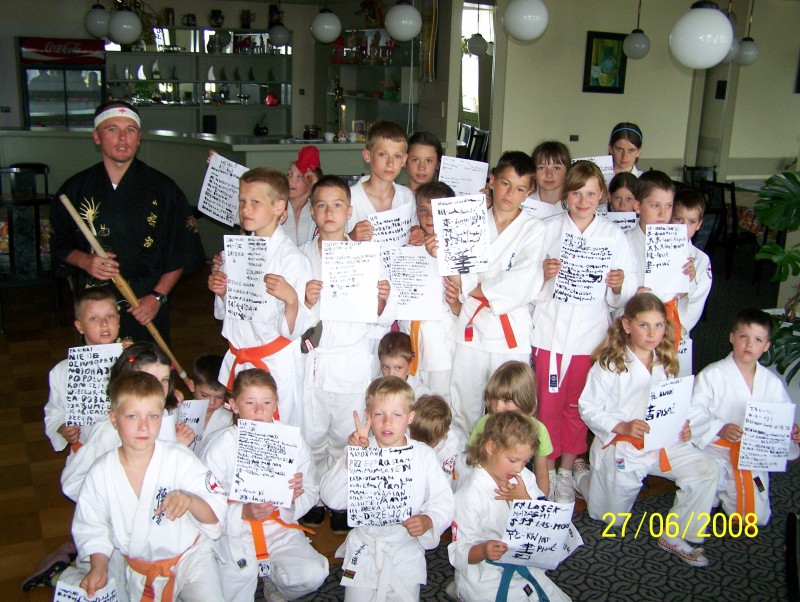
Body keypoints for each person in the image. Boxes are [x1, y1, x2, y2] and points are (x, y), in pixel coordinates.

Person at [578, 293, 719, 567]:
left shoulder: (666, 360)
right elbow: (588, 407)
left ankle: (675, 534)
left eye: (658, 325)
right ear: (627, 325)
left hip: (663, 441)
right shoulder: (610, 363)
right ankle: (583, 476)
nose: (652, 334)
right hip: (623, 445)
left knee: (706, 469)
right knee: (610, 518)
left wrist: (684, 426)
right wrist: (621, 425)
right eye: (643, 325)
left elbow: (676, 404)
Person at [50, 100, 204, 343]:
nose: (123, 138)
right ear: (97, 136)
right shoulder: (75, 190)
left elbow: (182, 249)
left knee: (148, 364)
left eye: (130, 130)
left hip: (145, 301)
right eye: (112, 129)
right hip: (96, 303)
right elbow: (58, 242)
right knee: (103, 365)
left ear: (139, 137)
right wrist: (86, 261)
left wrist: (158, 297)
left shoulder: (164, 189)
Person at [72, 371, 227, 600]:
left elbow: (215, 512)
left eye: (153, 416)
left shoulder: (179, 458)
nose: (143, 427)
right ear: (114, 418)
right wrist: (98, 566)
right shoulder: (101, 472)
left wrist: (190, 500)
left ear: (162, 416)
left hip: (192, 560)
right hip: (141, 571)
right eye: (132, 417)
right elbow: (92, 524)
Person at [532, 161, 635, 503]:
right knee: (547, 408)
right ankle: (545, 471)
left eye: (591, 194)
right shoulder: (548, 229)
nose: (583, 200)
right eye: (576, 193)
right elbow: (527, 283)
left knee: (577, 408)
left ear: (602, 195)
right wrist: (543, 275)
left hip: (588, 339)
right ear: (566, 194)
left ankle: (566, 471)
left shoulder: (613, 236)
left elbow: (626, 291)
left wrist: (619, 285)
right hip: (550, 334)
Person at [299, 175, 395, 532]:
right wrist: (305, 299)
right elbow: (290, 315)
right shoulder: (300, 256)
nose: (329, 212)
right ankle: (314, 496)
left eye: (337, 205)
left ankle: (341, 498)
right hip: (313, 359)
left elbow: (380, 317)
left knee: (346, 434)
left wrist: (382, 299)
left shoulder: (368, 257)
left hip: (352, 360)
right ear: (312, 211)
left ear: (349, 211)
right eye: (321, 205)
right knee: (312, 434)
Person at [429, 151, 545, 437]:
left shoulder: (534, 229)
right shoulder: (469, 219)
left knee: (510, 408)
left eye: (520, 189)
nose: (510, 194)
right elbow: (457, 270)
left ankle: (506, 460)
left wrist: (475, 288)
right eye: (505, 183)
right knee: (463, 406)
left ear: (529, 192)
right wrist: (440, 255)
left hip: (510, 333)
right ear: (492, 181)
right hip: (472, 328)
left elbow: (525, 278)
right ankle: (464, 459)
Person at [320, 376, 454, 601]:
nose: (387, 422)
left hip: (405, 549)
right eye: (379, 414)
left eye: (397, 415)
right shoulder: (360, 451)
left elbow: (443, 501)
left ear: (411, 417)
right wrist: (352, 459)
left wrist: (429, 520)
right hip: (365, 548)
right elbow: (331, 498)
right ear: (368, 416)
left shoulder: (423, 455)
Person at [200, 369, 328, 602]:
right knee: (229, 595)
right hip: (234, 533)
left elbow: (311, 489)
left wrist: (292, 498)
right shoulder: (220, 446)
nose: (259, 410)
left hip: (278, 527)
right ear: (234, 405)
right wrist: (241, 512)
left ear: (276, 404)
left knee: (313, 574)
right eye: (250, 402)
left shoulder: (291, 442)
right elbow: (202, 501)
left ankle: (275, 584)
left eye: (266, 402)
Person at [209, 167, 311, 429]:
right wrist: (222, 292)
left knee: (278, 432)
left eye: (255, 202)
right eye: (242, 201)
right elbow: (228, 312)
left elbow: (294, 329)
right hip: (242, 357)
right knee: (242, 429)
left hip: (274, 363)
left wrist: (291, 300)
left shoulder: (292, 259)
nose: (246, 209)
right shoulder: (238, 251)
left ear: (279, 206)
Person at [689, 309, 800, 526]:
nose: (749, 344)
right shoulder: (712, 374)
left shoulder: (771, 383)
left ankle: (724, 497)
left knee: (757, 517)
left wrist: (791, 429)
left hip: (753, 454)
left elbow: (782, 416)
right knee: (709, 480)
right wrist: (720, 428)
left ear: (766, 346)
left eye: (758, 340)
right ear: (732, 338)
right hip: (716, 450)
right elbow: (693, 412)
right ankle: (713, 496)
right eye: (743, 337)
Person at [448, 412, 571, 602]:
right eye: (513, 460)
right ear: (491, 447)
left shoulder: (524, 479)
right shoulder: (468, 496)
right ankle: (461, 591)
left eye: (525, 461)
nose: (519, 468)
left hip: (524, 562)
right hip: (484, 573)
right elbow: (459, 552)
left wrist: (524, 499)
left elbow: (545, 523)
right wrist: (483, 550)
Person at [60, 342, 193, 502]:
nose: (159, 387)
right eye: (149, 379)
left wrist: (178, 446)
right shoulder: (111, 431)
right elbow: (72, 482)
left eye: (164, 380)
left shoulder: (167, 413)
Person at [44, 286, 125, 454]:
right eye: (94, 318)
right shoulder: (63, 371)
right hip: (86, 453)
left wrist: (138, 359)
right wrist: (62, 427)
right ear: (80, 326)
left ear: (118, 320)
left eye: (110, 316)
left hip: (128, 451)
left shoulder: (133, 361)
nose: (104, 323)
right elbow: (54, 410)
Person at [401, 181, 459, 401]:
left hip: (440, 341)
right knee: (412, 398)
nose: (429, 217)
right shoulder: (409, 245)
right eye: (423, 209)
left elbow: (465, 300)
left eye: (436, 210)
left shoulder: (457, 248)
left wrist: (455, 303)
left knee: (440, 400)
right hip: (410, 335)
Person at [625, 171, 695, 340]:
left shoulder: (677, 243)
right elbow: (613, 295)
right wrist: (630, 295)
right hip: (633, 321)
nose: (663, 213)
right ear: (637, 206)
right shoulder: (623, 242)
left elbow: (680, 296)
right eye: (655, 205)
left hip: (667, 320)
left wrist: (687, 280)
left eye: (668, 206)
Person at [468, 361, 553, 499]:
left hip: (523, 489)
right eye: (494, 398)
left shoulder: (539, 430)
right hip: (489, 490)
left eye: (506, 401)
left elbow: (542, 473)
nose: (497, 407)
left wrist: (540, 502)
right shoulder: (484, 423)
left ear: (524, 399)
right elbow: (472, 460)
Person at [347, 121, 422, 246]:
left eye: (397, 156)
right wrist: (350, 237)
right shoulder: (349, 198)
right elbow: (329, 244)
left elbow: (413, 240)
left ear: (404, 160)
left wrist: (417, 235)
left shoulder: (407, 197)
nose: (390, 163)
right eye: (382, 154)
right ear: (367, 155)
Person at [670, 188, 713, 340]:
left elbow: (696, 302)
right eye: (678, 219)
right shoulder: (652, 247)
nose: (684, 227)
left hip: (676, 329)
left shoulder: (701, 260)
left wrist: (678, 328)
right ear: (670, 216)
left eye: (691, 222)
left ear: (699, 224)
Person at [409, 394, 467, 491]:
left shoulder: (451, 451)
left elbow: (442, 486)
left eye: (427, 443)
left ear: (441, 436)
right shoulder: (417, 425)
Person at [187, 353, 233, 454]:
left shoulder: (230, 421)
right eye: (204, 395)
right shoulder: (177, 413)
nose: (211, 403)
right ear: (192, 386)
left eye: (219, 397)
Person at [285, 146, 323, 246]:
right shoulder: (276, 209)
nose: (290, 180)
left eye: (299, 177)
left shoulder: (317, 211)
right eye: (289, 174)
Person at [524, 141, 571, 219]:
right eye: (541, 168)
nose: (549, 174)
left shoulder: (576, 205)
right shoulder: (523, 203)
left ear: (567, 171)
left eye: (556, 168)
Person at [378, 331, 430, 399]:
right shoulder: (375, 388)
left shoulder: (420, 394)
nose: (391, 374)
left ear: (409, 366)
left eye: (398, 368)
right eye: (385, 367)